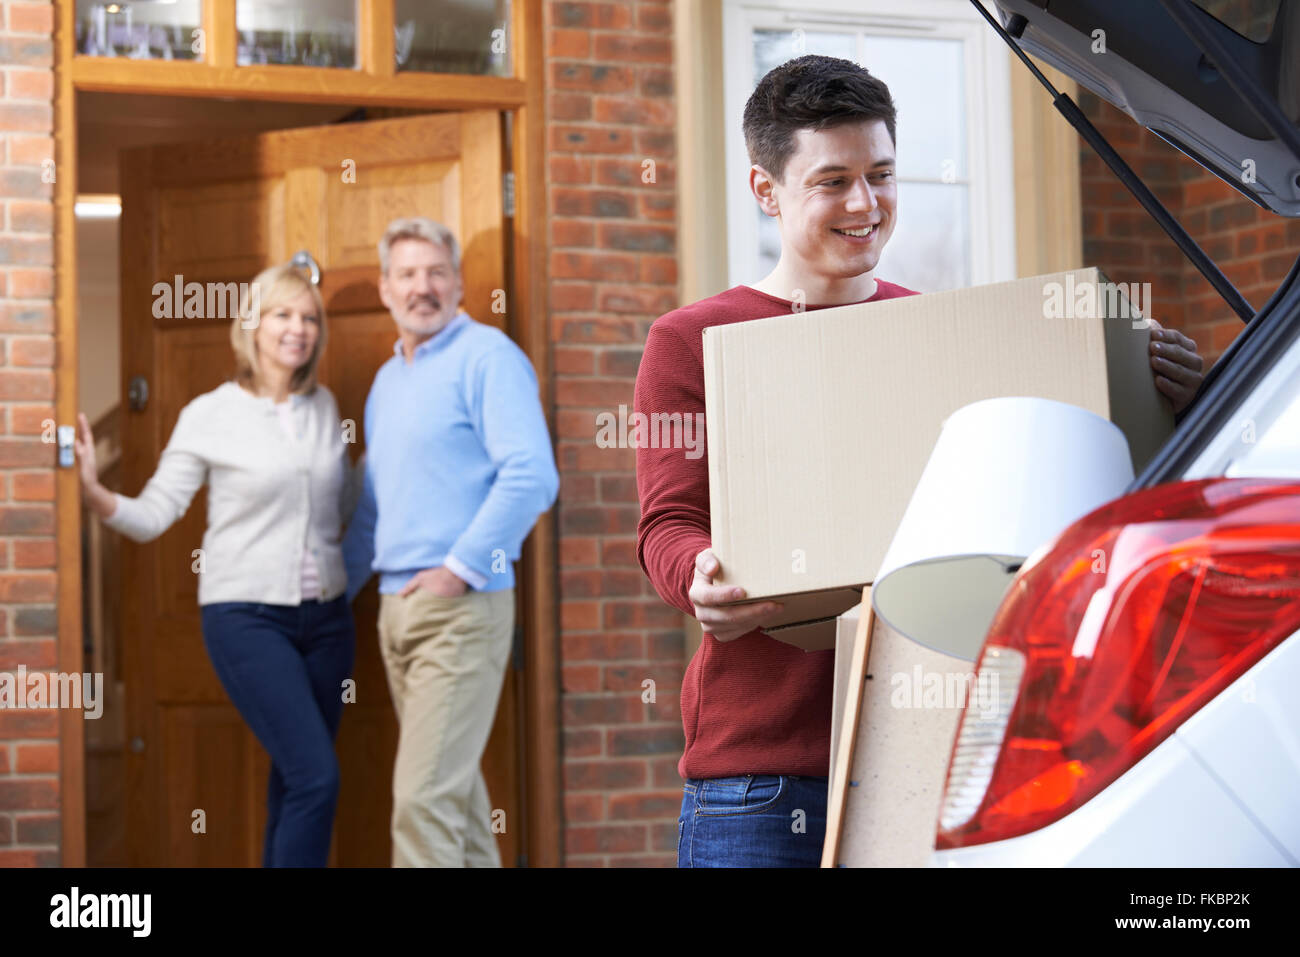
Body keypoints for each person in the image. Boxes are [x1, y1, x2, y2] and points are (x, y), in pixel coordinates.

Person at [634, 54, 1207, 868]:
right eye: (833, 181)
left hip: (923, 757)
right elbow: (668, 523)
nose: (866, 203)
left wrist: (1173, 401)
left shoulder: (944, 336)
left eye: (883, 174)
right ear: (766, 190)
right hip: (763, 778)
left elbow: (1051, 495)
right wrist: (699, 575)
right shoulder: (691, 341)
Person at [76, 262, 357, 867]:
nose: (297, 328)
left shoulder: (325, 406)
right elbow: (155, 512)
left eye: (309, 317)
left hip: (329, 621)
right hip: (248, 618)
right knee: (317, 777)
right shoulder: (211, 413)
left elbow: (344, 505)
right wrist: (96, 494)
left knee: (295, 779)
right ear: (252, 326)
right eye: (282, 314)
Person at [343, 217, 558, 868]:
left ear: (460, 282)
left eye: (436, 272)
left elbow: (532, 476)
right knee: (454, 804)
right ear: (385, 289)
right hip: (395, 608)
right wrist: (331, 593)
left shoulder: (487, 356)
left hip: (460, 609)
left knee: (422, 803)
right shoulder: (388, 381)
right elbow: (374, 504)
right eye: (407, 274)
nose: (422, 287)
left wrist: (457, 571)